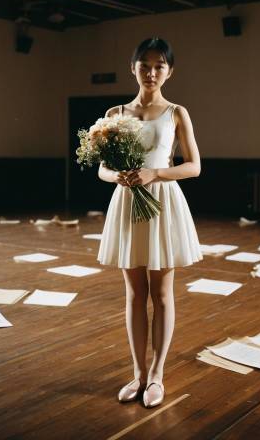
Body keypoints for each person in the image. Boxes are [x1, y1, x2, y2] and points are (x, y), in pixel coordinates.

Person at [96, 37, 203, 408]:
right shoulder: (114, 114)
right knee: (134, 294)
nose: (151, 72)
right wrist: (120, 177)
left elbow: (194, 166)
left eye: (159, 66)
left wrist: (154, 172)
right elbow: (103, 170)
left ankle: (157, 374)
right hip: (127, 203)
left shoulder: (176, 112)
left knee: (161, 293)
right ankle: (138, 374)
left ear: (169, 71)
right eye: (145, 64)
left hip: (162, 202)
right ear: (133, 68)